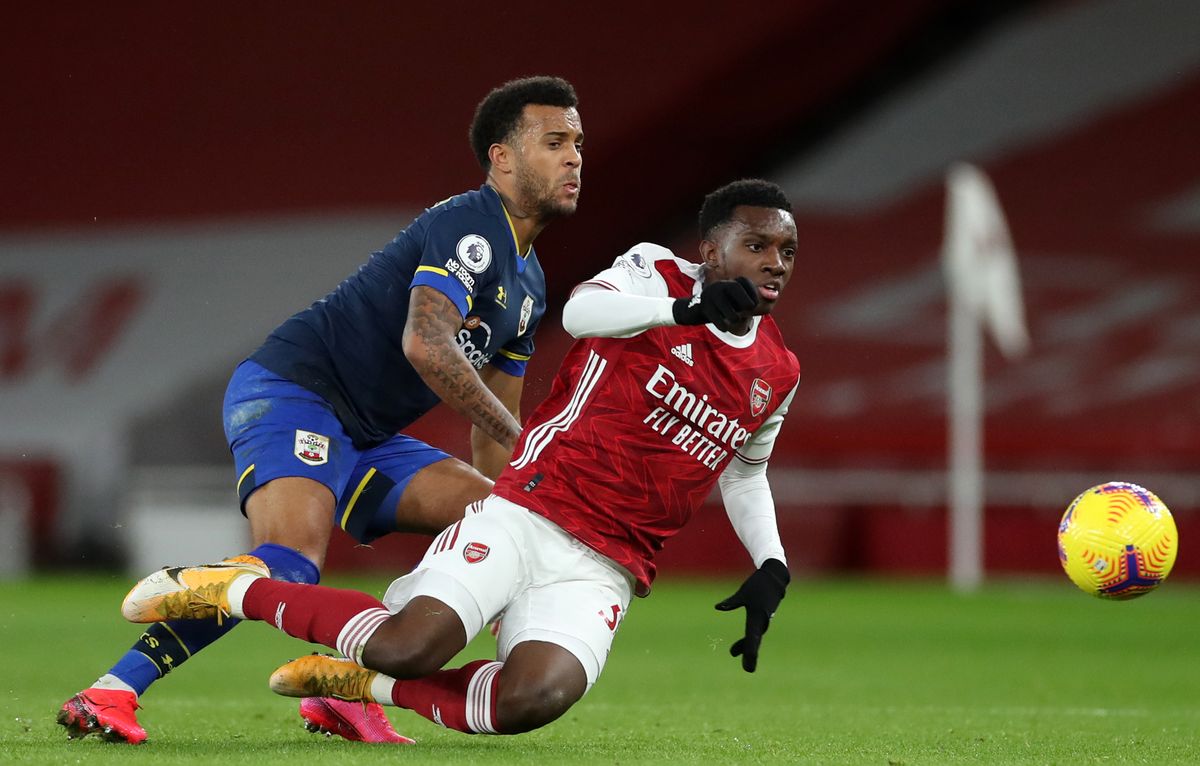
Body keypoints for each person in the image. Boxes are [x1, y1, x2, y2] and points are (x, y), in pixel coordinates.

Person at [122, 179, 799, 739]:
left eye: (787, 251)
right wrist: (684, 309)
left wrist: (771, 563)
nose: (775, 262)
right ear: (711, 249)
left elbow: (745, 471)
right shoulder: (656, 272)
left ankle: (364, 684)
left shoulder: (778, 370)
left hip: (610, 562)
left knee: (532, 700)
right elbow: (582, 315)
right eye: (758, 245)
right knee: (409, 646)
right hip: (532, 507)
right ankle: (233, 589)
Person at [58, 75, 585, 745]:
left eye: (578, 144)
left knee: (492, 524)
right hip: (294, 393)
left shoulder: (531, 284)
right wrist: (529, 444)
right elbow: (426, 344)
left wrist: (526, 507)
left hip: (367, 436)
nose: (573, 158)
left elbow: (496, 430)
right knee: (289, 564)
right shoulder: (471, 224)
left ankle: (344, 683)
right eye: (554, 142)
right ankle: (112, 691)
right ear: (502, 158)